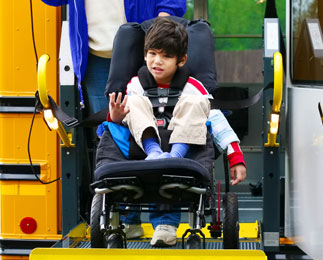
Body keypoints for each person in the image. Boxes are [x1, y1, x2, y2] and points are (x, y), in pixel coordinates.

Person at [106, 17, 247, 247]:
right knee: (134, 102)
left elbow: (216, 121)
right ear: (144, 54)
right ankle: (129, 221)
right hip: (143, 150)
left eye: (166, 56)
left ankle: (166, 220)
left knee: (197, 104)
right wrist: (116, 115)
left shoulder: (193, 87)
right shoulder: (136, 85)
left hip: (181, 151)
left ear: (181, 61)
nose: (157, 61)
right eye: (152, 54)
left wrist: (235, 155)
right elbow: (125, 121)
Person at [41, 0, 186, 114]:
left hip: (146, 54)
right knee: (108, 130)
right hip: (97, 58)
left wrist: (160, 32)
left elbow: (172, 4)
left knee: (153, 123)